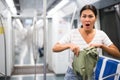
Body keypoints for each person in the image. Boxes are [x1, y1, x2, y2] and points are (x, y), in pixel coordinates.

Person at [52, 4, 120, 80]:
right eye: (84, 16)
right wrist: (69, 45)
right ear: (80, 18)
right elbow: (55, 48)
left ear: (96, 18)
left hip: (90, 75)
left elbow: (117, 53)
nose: (87, 19)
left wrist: (102, 46)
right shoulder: (72, 33)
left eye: (90, 16)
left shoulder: (101, 34)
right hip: (73, 75)